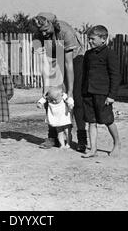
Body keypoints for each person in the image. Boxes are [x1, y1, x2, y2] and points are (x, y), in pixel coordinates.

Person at [33, 13, 87, 152]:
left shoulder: (65, 32)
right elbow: (45, 64)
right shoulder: (37, 37)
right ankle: (53, 137)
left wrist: (69, 92)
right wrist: (45, 89)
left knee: (76, 98)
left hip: (74, 60)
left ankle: (81, 138)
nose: (43, 33)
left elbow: (69, 64)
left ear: (53, 24)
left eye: (46, 29)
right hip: (54, 59)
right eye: (41, 31)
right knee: (50, 96)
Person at [81, 25, 121, 158]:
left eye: (92, 39)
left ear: (103, 39)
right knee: (91, 121)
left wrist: (111, 96)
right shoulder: (88, 54)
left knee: (107, 120)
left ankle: (117, 143)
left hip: (102, 94)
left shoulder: (110, 54)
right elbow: (84, 74)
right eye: (89, 39)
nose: (90, 41)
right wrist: (83, 92)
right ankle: (93, 149)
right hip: (88, 92)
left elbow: (115, 76)